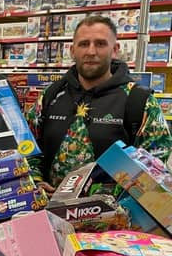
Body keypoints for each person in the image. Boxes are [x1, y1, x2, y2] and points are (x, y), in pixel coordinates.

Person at [25, 15, 172, 192]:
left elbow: (156, 164)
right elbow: (27, 148)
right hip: (49, 212)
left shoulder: (139, 100)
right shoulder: (50, 96)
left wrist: (106, 197)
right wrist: (36, 182)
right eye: (84, 44)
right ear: (72, 50)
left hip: (114, 215)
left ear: (115, 49)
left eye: (100, 44)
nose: (91, 51)